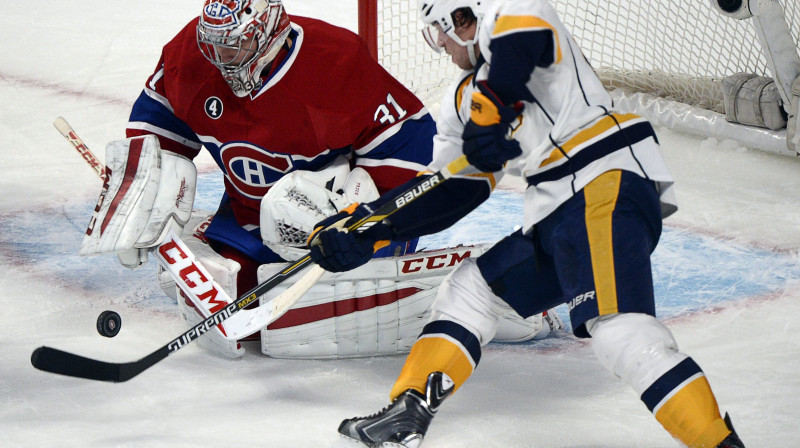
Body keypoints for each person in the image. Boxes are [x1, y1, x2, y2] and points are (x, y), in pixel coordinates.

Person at [307, 1, 745, 447]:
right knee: (471, 291)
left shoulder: (514, 14)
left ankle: (717, 441)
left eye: (438, 31)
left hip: (601, 182)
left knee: (621, 333)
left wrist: (493, 105)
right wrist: (371, 228)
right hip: (557, 213)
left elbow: (522, 41)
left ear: (459, 17)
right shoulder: (461, 98)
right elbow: (454, 189)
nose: (438, 44)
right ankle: (407, 412)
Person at [79, 0, 560, 359]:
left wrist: (364, 217)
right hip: (245, 220)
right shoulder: (190, 55)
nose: (225, 57)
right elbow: (158, 123)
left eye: (238, 43)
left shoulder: (333, 62)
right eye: (216, 44)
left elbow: (413, 145)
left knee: (304, 266)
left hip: (335, 222)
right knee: (227, 314)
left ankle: (485, 300)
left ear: (269, 29)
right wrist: (143, 186)